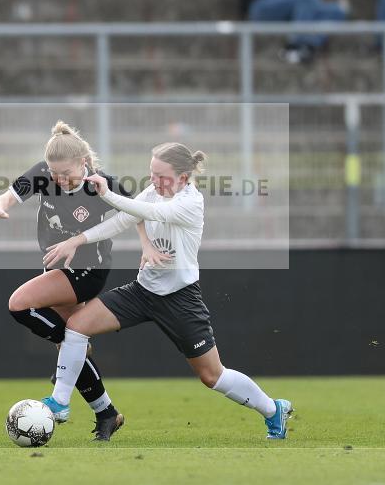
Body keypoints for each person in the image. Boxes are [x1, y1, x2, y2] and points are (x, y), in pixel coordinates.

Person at [39, 143, 293, 442]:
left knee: (212, 376)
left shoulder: (191, 202)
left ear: (184, 178)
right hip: (142, 291)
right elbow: (124, 220)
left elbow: (149, 212)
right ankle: (60, 403)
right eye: (151, 174)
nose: (154, 181)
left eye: (162, 176)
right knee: (77, 326)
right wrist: (78, 240)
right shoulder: (153, 192)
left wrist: (107, 194)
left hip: (180, 299)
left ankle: (273, 410)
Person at [0, 121, 165, 439]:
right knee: (72, 347)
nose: (59, 180)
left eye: (65, 174)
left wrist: (147, 245)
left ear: (84, 163)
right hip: (58, 268)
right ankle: (106, 413)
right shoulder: (44, 174)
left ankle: (70, 353)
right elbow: (7, 197)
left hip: (88, 271)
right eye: (54, 174)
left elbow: (137, 212)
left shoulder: (102, 183)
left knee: (19, 304)